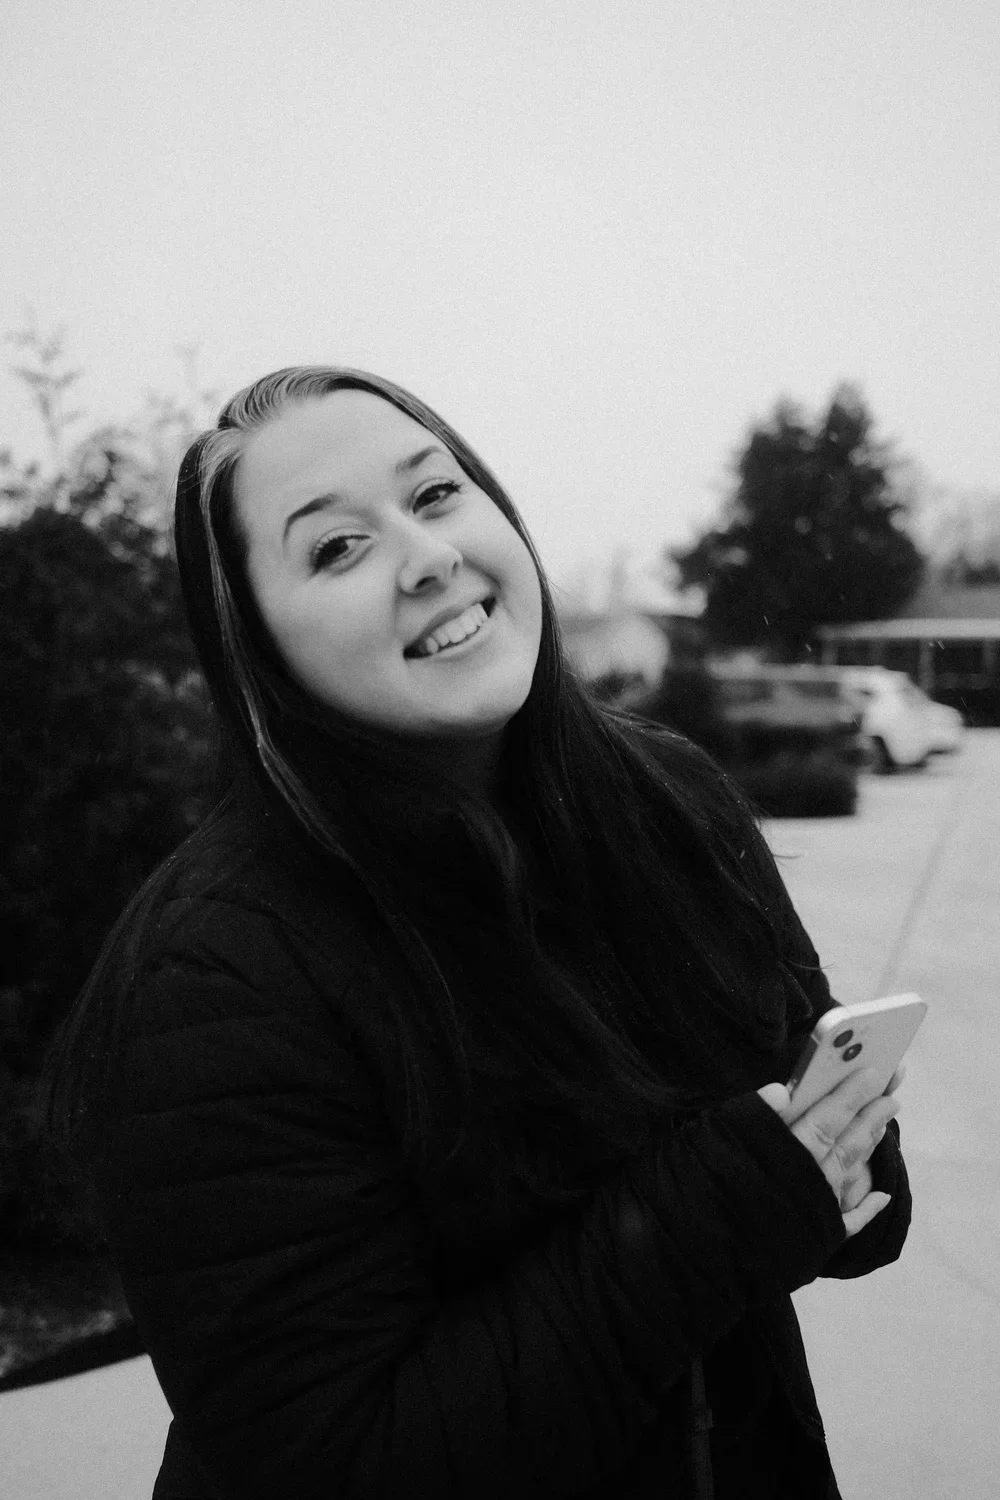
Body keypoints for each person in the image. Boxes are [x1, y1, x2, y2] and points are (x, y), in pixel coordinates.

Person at [43, 366, 910, 1500]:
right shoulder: (214, 974)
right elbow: (334, 1464)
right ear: (255, 644)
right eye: (337, 549)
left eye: (437, 494)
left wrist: (837, 1159)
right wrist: (728, 1206)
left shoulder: (669, 799)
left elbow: (836, 1189)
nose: (429, 556)